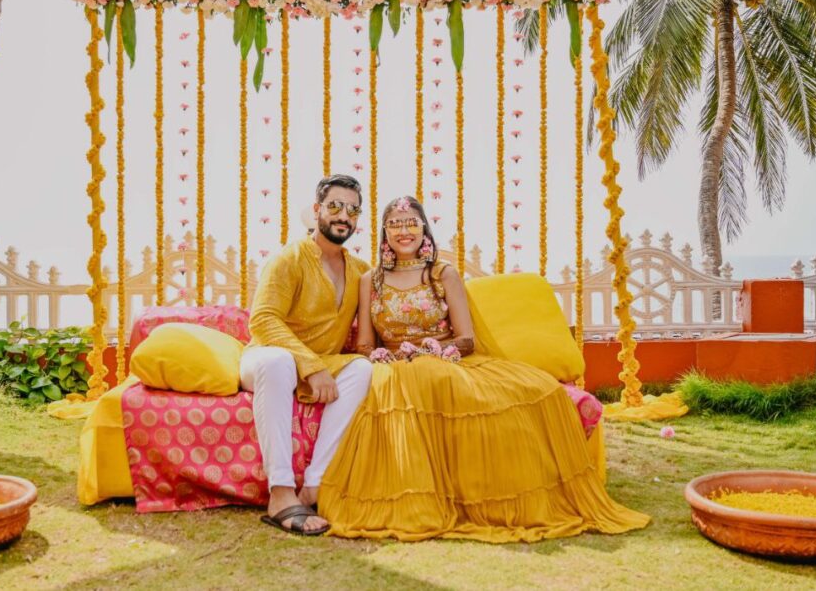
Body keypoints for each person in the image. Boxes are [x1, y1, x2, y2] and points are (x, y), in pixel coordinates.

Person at [318, 195, 650, 542]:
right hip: (395, 366)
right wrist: (385, 357)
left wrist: (435, 349)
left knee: (538, 390)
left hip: (446, 358)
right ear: (384, 232)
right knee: (416, 380)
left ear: (424, 228)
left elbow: (466, 340)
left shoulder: (442, 273)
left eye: (411, 222)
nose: (404, 231)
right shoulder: (371, 280)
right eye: (395, 224)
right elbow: (365, 344)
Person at [241, 174, 373, 536]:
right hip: (266, 360)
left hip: (320, 362)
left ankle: (315, 484)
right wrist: (311, 367)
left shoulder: (361, 270)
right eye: (334, 206)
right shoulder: (289, 258)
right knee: (278, 361)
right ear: (316, 210)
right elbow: (263, 319)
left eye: (352, 209)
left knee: (361, 369)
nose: (343, 215)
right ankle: (281, 494)